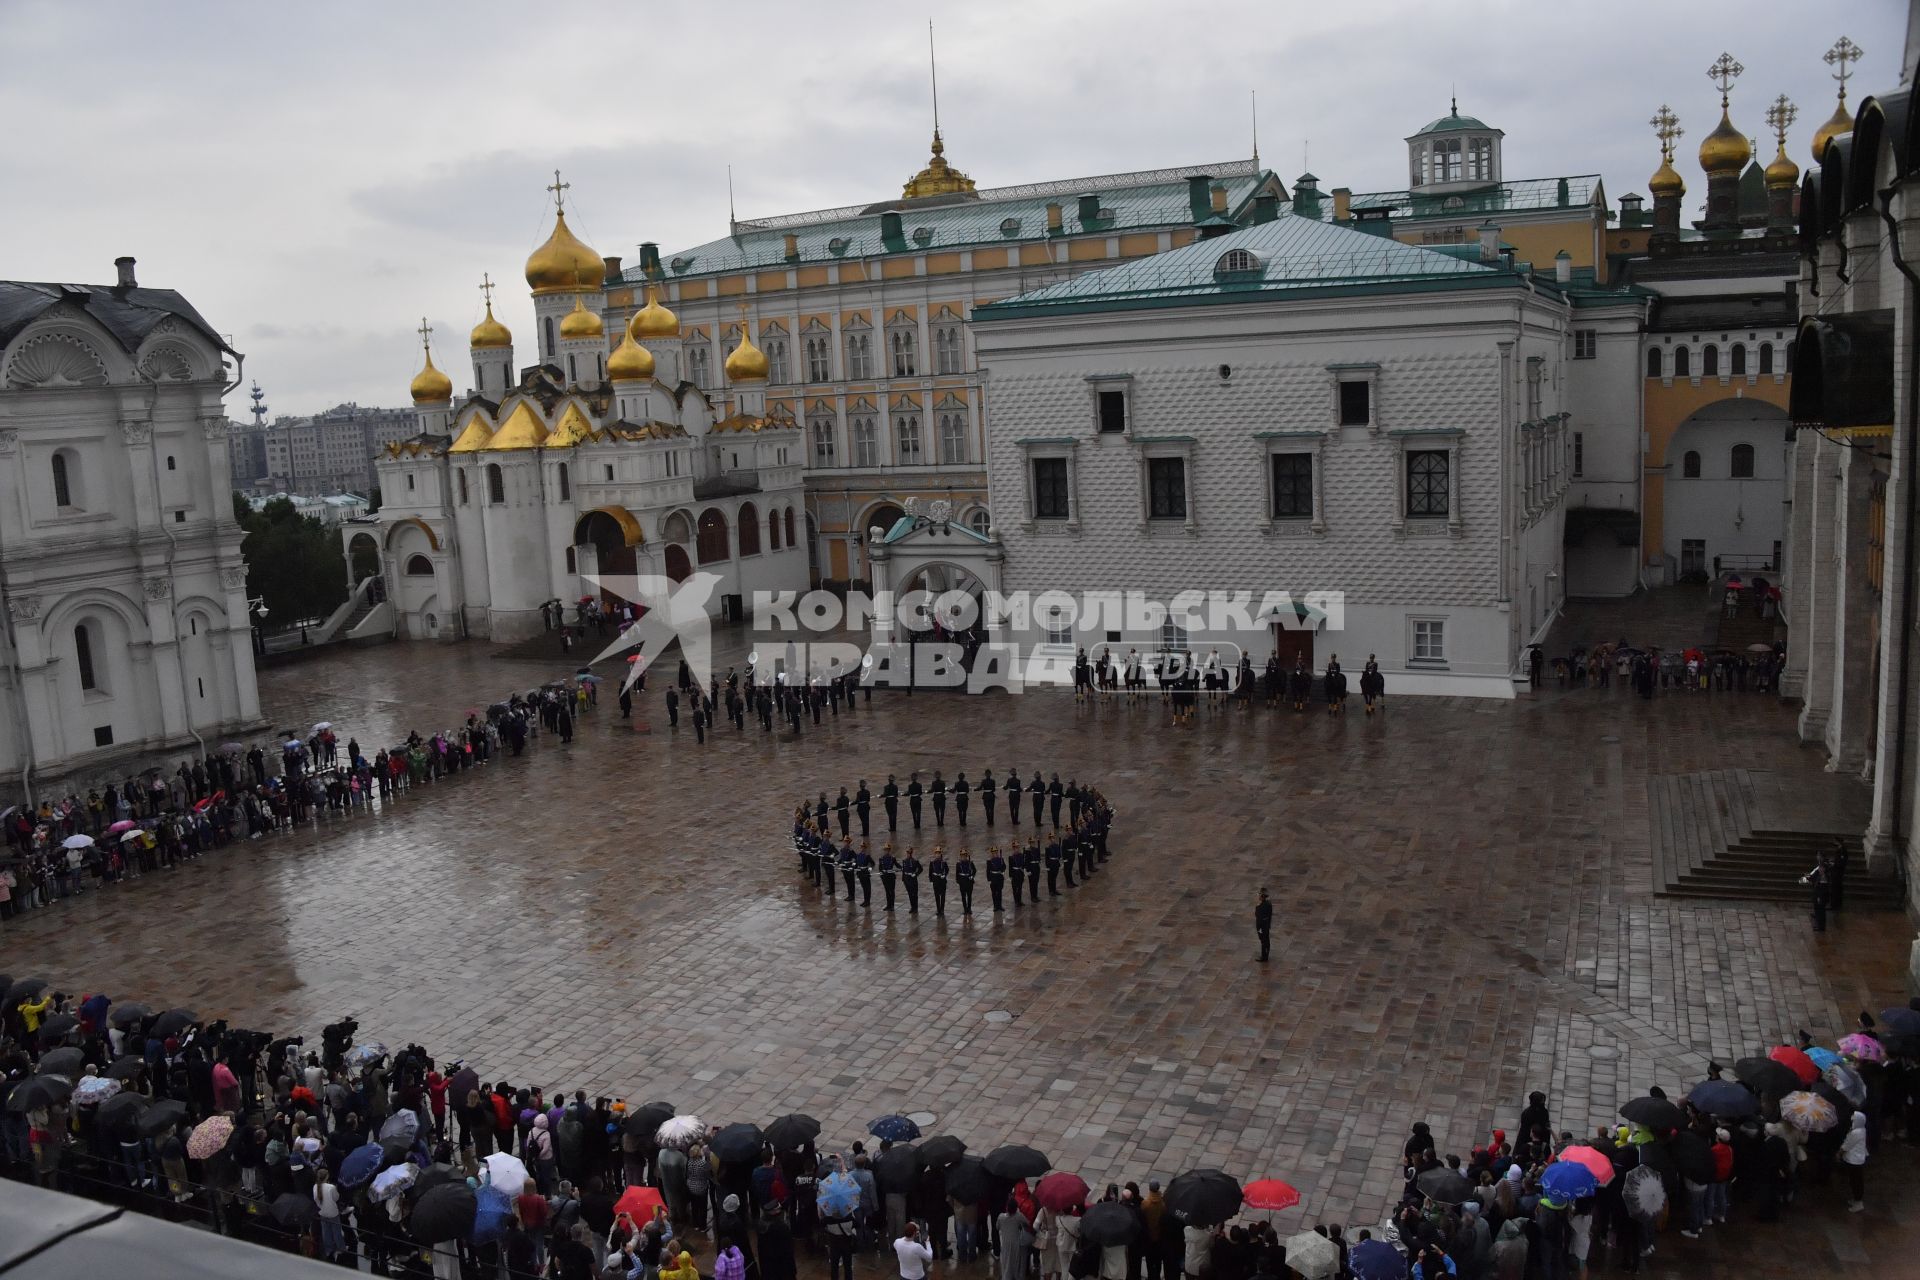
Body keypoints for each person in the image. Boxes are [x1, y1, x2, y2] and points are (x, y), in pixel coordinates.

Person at [1841, 1110, 1868, 1211]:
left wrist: (1839, 1153)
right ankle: (1856, 1199)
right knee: (1855, 1180)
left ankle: (1858, 1202)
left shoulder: (1856, 1132)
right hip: (1857, 1159)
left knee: (1855, 1181)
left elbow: (1847, 1145)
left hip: (1854, 1160)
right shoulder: (1862, 1130)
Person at [1254, 890, 1272, 962]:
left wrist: (1259, 928)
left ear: (1262, 897)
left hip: (1261, 927)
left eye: (1259, 895)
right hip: (1267, 925)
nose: (1258, 896)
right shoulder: (1269, 904)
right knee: (1267, 940)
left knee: (1263, 941)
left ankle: (1264, 957)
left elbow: (1257, 916)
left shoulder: (1259, 907)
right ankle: (1266, 955)